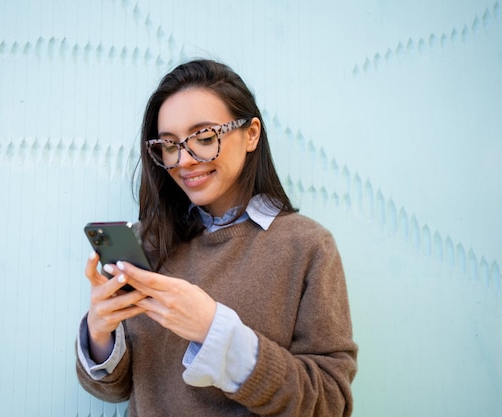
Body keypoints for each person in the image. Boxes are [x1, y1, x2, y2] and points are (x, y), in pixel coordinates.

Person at [76, 59, 358, 416]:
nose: (185, 160)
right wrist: (100, 332)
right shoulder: (148, 241)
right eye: (169, 144)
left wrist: (214, 330)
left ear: (251, 133)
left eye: (205, 138)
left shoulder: (308, 246)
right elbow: (117, 390)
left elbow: (330, 403)